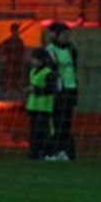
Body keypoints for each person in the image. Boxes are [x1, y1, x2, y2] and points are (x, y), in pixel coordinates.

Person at [46, 22, 80, 160]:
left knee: (67, 122)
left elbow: (74, 68)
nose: (66, 37)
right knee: (58, 122)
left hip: (70, 89)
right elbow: (52, 69)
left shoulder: (71, 49)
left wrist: (76, 86)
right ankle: (54, 151)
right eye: (63, 34)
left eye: (68, 34)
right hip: (59, 91)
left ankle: (64, 151)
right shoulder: (50, 50)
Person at [26, 49, 57, 160]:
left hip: (44, 108)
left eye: (35, 58)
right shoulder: (33, 71)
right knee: (34, 132)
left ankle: (46, 153)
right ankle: (34, 153)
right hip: (33, 106)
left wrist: (36, 90)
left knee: (42, 132)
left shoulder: (48, 73)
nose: (33, 61)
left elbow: (51, 89)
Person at [0, 22, 28, 97]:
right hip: (10, 63)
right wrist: (3, 55)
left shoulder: (19, 41)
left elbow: (22, 52)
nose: (16, 32)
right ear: (12, 31)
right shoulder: (8, 41)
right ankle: (7, 91)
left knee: (17, 77)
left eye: (17, 30)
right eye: (15, 30)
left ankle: (17, 89)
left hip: (18, 63)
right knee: (9, 77)